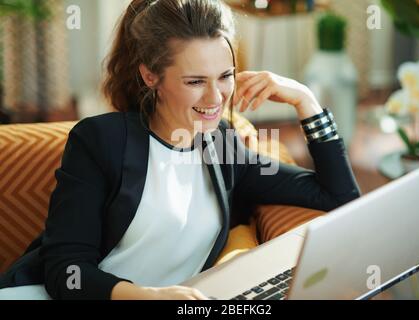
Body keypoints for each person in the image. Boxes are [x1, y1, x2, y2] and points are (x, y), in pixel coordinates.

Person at [0, 0, 360, 300]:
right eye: (194, 81)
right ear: (150, 76)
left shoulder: (223, 146)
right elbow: (66, 270)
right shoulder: (99, 140)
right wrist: (152, 297)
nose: (215, 97)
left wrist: (306, 102)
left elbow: (339, 196)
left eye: (225, 76)